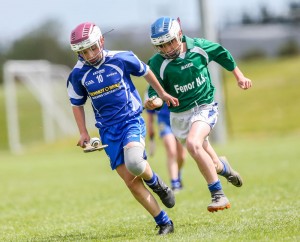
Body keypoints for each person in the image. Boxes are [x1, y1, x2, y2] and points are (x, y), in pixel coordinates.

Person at [66, 22, 180, 235]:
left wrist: (162, 94)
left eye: (92, 48)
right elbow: (77, 104)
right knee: (131, 181)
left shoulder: (122, 58)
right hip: (108, 131)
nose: (89, 54)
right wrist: (83, 132)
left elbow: (146, 72)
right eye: (82, 51)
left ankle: (157, 183)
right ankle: (164, 222)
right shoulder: (77, 74)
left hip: (131, 121)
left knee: (135, 162)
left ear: (101, 41)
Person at [144, 16, 252, 213]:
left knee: (194, 145)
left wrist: (239, 76)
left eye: (171, 42)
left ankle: (218, 195)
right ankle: (224, 168)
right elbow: (154, 92)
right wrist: (155, 101)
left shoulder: (198, 47)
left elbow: (222, 54)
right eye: (162, 46)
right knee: (212, 162)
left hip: (204, 107)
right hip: (179, 118)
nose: (167, 49)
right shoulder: (157, 63)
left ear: (179, 34)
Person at [145, 100, 186, 192]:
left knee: (182, 156)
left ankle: (177, 174)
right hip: (164, 121)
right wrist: (150, 128)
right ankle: (175, 183)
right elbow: (150, 112)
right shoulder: (152, 89)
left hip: (179, 120)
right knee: (171, 151)